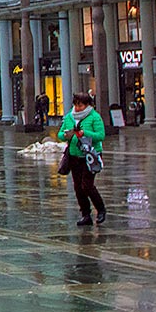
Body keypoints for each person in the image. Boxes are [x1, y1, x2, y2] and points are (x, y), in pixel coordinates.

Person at [59, 93, 106, 226]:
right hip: (74, 156)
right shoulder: (69, 116)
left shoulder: (94, 117)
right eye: (76, 104)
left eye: (80, 105)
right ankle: (85, 214)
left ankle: (101, 209)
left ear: (87, 105)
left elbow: (100, 135)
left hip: (90, 156)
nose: (77, 108)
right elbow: (61, 134)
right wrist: (66, 135)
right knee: (78, 187)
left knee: (87, 185)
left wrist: (85, 133)